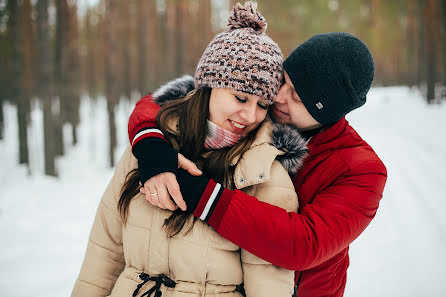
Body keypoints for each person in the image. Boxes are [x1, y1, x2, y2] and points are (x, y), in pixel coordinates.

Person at [71, 2, 306, 297]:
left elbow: (269, 284)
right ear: (208, 87)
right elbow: (105, 250)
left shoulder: (264, 175)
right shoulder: (149, 147)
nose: (250, 116)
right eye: (240, 98)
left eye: (262, 105)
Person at [128, 31, 388, 296]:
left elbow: (303, 244)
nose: (277, 97)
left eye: (297, 97)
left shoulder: (361, 171)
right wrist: (151, 147)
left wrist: (199, 194)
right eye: (283, 80)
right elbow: (165, 102)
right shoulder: (259, 111)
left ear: (328, 112)